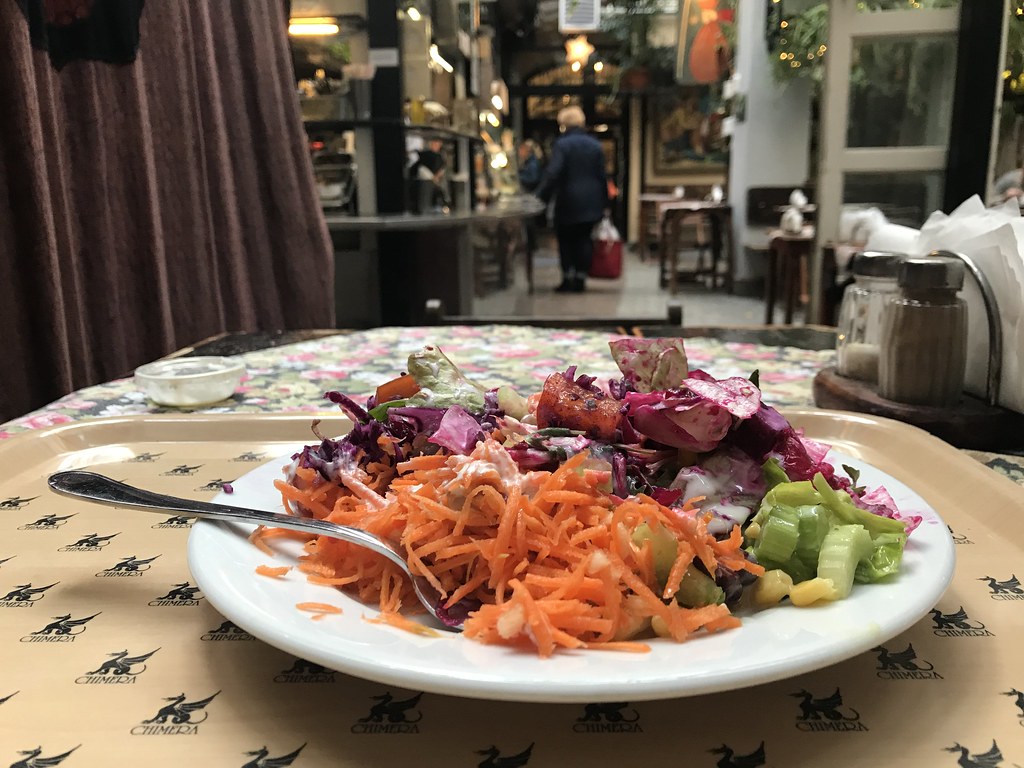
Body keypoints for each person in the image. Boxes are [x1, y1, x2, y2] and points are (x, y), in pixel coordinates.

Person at [534, 106, 608, 292]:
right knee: (584, 238)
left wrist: (540, 195)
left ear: (563, 124)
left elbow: (553, 172)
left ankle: (568, 278)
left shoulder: (562, 145)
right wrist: (604, 202)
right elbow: (602, 176)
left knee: (566, 239)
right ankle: (581, 277)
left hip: (568, 200)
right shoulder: (595, 145)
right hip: (592, 200)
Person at [517, 140, 544, 259]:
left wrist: (519, 177)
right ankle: (531, 244)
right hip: (531, 193)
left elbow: (533, 178)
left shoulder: (532, 163)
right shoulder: (531, 162)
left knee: (529, 221)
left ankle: (531, 245)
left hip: (530, 193)